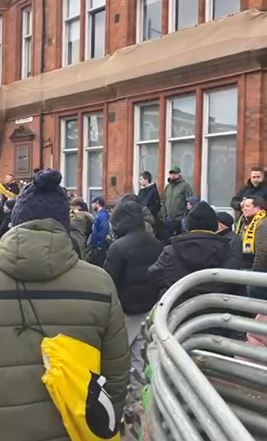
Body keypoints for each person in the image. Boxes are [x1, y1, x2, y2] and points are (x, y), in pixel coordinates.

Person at [0, 169, 130, 441]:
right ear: (64, 223)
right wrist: (103, 424)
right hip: (71, 430)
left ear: (15, 221)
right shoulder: (99, 283)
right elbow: (116, 375)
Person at [103, 200, 163, 411]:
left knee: (119, 357)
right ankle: (137, 399)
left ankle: (118, 401)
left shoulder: (118, 247)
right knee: (140, 354)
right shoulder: (156, 243)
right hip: (148, 307)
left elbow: (109, 281)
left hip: (124, 309)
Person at [148, 201, 234, 302]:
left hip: (178, 309)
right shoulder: (227, 250)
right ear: (214, 226)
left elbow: (153, 276)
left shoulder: (171, 251)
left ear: (188, 225)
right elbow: (233, 282)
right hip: (217, 310)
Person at [236, 197, 267, 271]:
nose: (244, 209)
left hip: (256, 269)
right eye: (243, 207)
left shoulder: (263, 223)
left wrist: (256, 270)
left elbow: (262, 251)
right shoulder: (244, 222)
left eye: (247, 206)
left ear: (258, 208)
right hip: (244, 265)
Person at [162, 165, 193, 237]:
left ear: (179, 174)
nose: (173, 176)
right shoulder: (168, 187)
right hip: (169, 218)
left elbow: (190, 202)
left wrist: (185, 215)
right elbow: (164, 201)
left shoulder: (185, 186)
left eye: (175, 174)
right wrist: (164, 215)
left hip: (180, 218)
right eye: (171, 174)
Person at [89, 197, 110, 266]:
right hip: (97, 245)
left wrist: (99, 244)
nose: (92, 206)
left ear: (97, 203)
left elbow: (103, 229)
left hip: (99, 247)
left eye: (93, 203)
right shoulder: (101, 214)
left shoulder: (102, 215)